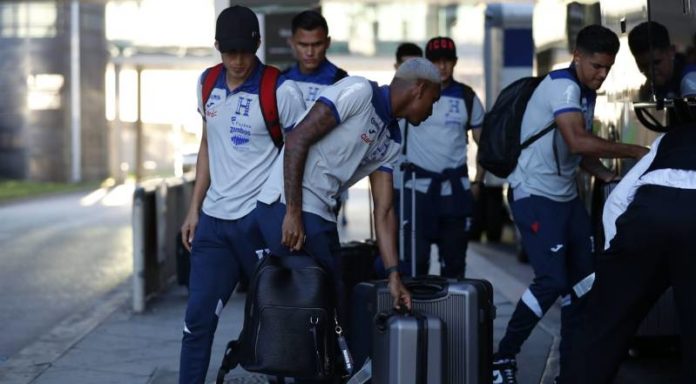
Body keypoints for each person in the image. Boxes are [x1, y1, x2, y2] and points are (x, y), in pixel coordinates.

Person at [491, 25, 649, 384]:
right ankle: (503, 357)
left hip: (565, 198)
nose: (601, 74)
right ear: (576, 56)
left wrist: (606, 175)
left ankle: (573, 367)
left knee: (585, 284)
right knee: (551, 281)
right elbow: (577, 141)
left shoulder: (583, 90)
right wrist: (636, 152)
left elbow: (574, 152)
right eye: (596, 66)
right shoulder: (562, 85)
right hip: (534, 196)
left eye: (607, 68)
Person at [256, 57, 441, 335]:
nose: (431, 111)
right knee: (316, 308)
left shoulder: (391, 139)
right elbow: (297, 138)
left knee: (334, 304)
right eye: (433, 101)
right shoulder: (360, 92)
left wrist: (393, 274)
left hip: (321, 213)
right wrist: (292, 212)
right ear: (419, 89)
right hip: (286, 206)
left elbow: (385, 211)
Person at [178, 6, 306, 384]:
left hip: (260, 223)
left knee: (278, 322)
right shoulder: (206, 84)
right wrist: (193, 208)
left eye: (245, 52)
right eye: (229, 52)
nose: (238, 61)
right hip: (215, 225)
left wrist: (293, 212)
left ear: (258, 45)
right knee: (197, 320)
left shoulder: (281, 90)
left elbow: (299, 155)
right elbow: (207, 145)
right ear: (217, 47)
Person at [567, 123, 696, 384]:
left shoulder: (670, 138)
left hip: (647, 213)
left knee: (605, 326)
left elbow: (617, 201)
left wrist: (613, 266)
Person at [398, 36, 485, 278]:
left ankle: (454, 314)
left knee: (455, 267)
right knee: (415, 266)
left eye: (448, 61)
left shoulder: (467, 97)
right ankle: (416, 315)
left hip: (454, 193)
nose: (442, 66)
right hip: (418, 192)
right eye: (436, 61)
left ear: (455, 62)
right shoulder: (411, 93)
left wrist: (478, 181)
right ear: (427, 63)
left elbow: (484, 143)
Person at [283, 10, 351, 225]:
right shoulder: (281, 81)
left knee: (319, 251)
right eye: (304, 44)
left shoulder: (341, 82)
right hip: (284, 182)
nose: (310, 51)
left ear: (328, 42)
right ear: (292, 42)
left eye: (317, 44)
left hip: (325, 184)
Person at [628, 21, 696, 100]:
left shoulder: (690, 78)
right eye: (643, 65)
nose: (650, 71)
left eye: (657, 62)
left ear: (671, 51)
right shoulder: (650, 87)